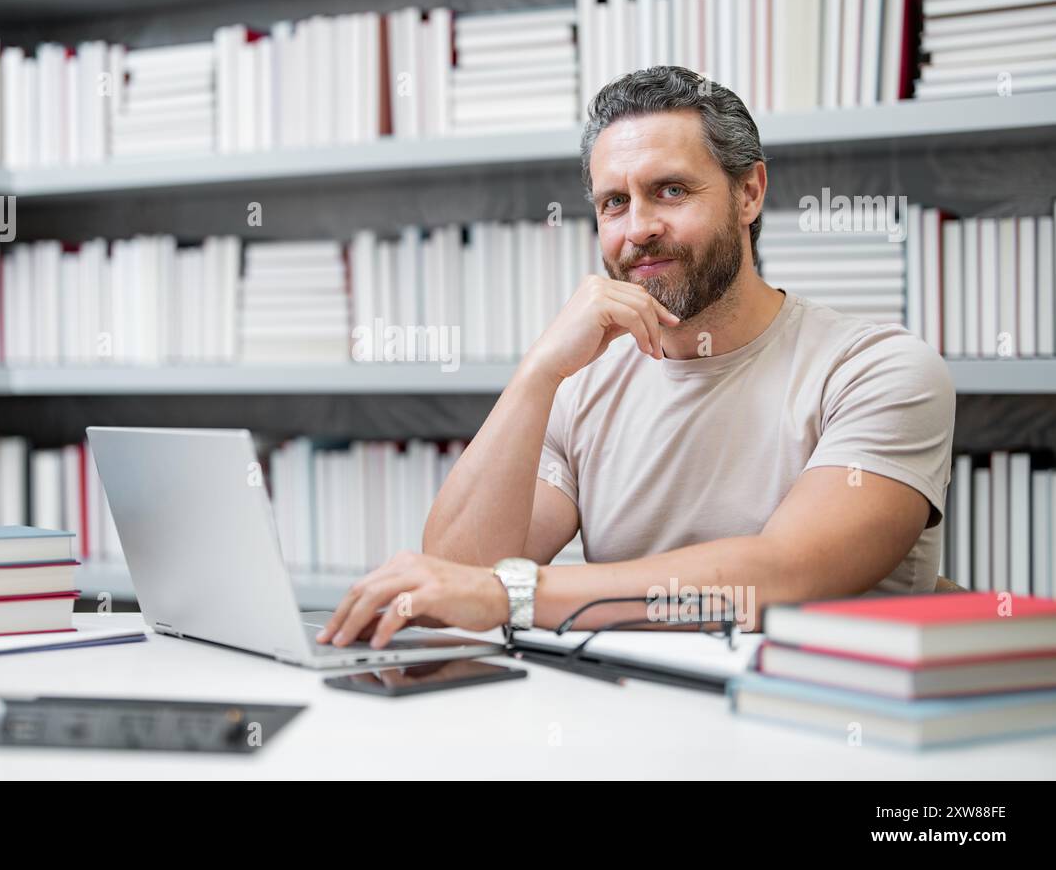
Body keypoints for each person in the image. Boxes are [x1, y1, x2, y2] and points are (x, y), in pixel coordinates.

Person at [319, 65, 955, 649]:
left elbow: (782, 575)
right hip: (633, 725)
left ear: (749, 193)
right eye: (613, 203)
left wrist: (511, 595)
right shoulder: (581, 385)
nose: (638, 228)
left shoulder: (879, 369)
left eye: (671, 190)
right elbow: (458, 577)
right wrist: (539, 370)